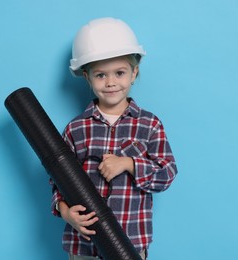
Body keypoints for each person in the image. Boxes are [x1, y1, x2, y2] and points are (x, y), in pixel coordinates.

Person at [50, 17, 177, 260]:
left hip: (129, 244)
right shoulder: (76, 128)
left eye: (119, 72)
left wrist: (129, 164)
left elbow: (167, 174)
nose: (110, 83)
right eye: (100, 75)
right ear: (87, 77)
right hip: (84, 245)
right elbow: (58, 178)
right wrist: (65, 212)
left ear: (134, 73)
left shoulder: (149, 124)